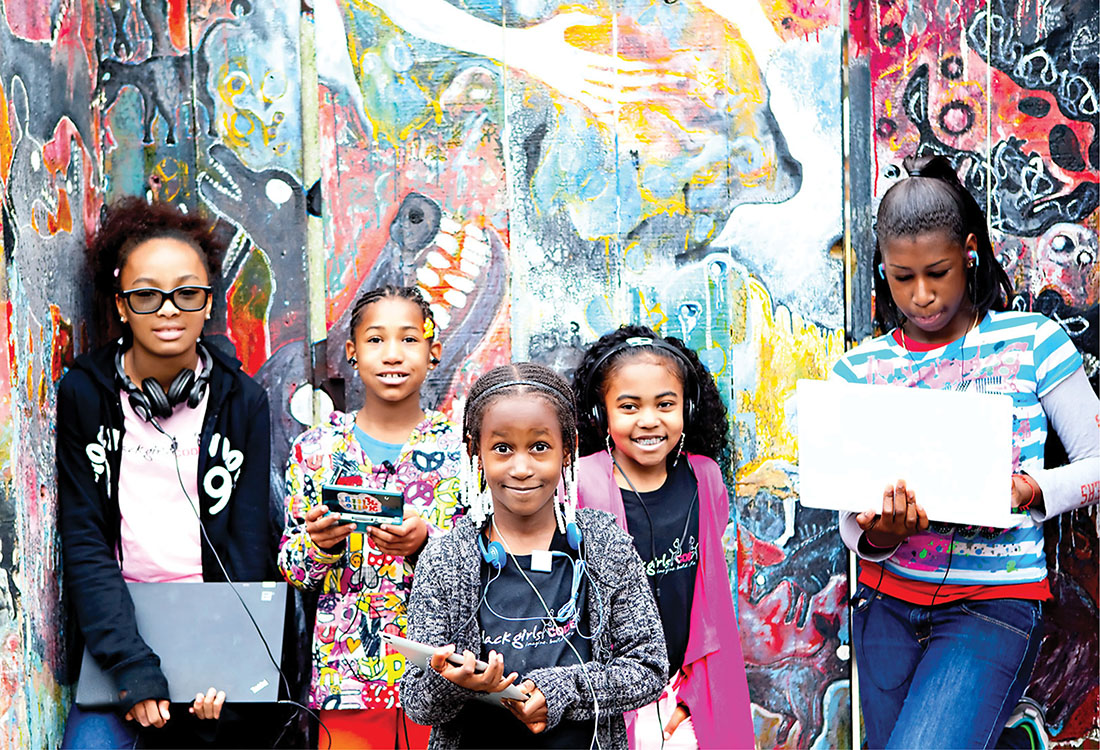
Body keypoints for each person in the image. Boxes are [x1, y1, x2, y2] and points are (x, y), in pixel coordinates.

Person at [832, 154, 1100, 749]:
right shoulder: (858, 371)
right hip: (887, 606)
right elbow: (850, 519)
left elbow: (1097, 463)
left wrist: (1032, 490)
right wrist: (881, 533)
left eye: (939, 272)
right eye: (902, 278)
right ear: (883, 268)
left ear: (970, 253)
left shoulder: (1032, 343)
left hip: (991, 608)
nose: (922, 295)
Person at [56, 197, 276, 747]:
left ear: (208, 304)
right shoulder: (85, 394)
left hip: (213, 639)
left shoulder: (242, 400)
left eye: (187, 293)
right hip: (119, 637)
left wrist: (230, 666)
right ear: (122, 306)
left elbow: (250, 542)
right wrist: (131, 667)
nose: (168, 309)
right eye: (146, 295)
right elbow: (83, 540)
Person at [400, 363, 668, 748]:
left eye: (539, 447)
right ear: (476, 451)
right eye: (503, 448)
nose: (522, 468)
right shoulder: (446, 558)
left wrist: (562, 689)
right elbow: (418, 704)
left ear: (568, 450)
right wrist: (451, 683)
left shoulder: (605, 544)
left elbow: (648, 667)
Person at [278, 284, 463, 749]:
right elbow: (292, 568)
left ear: (433, 351)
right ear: (352, 352)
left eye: (409, 339)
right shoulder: (317, 450)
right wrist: (321, 544)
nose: (393, 354)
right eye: (376, 340)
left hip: (441, 680)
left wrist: (425, 546)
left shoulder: (461, 451)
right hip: (348, 682)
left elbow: (484, 563)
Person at [572, 326, 755, 749]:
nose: (649, 420)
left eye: (665, 404)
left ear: (687, 410)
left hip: (685, 688)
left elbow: (708, 600)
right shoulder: (584, 482)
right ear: (601, 413)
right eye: (629, 406)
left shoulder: (705, 479)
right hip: (613, 688)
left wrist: (692, 691)